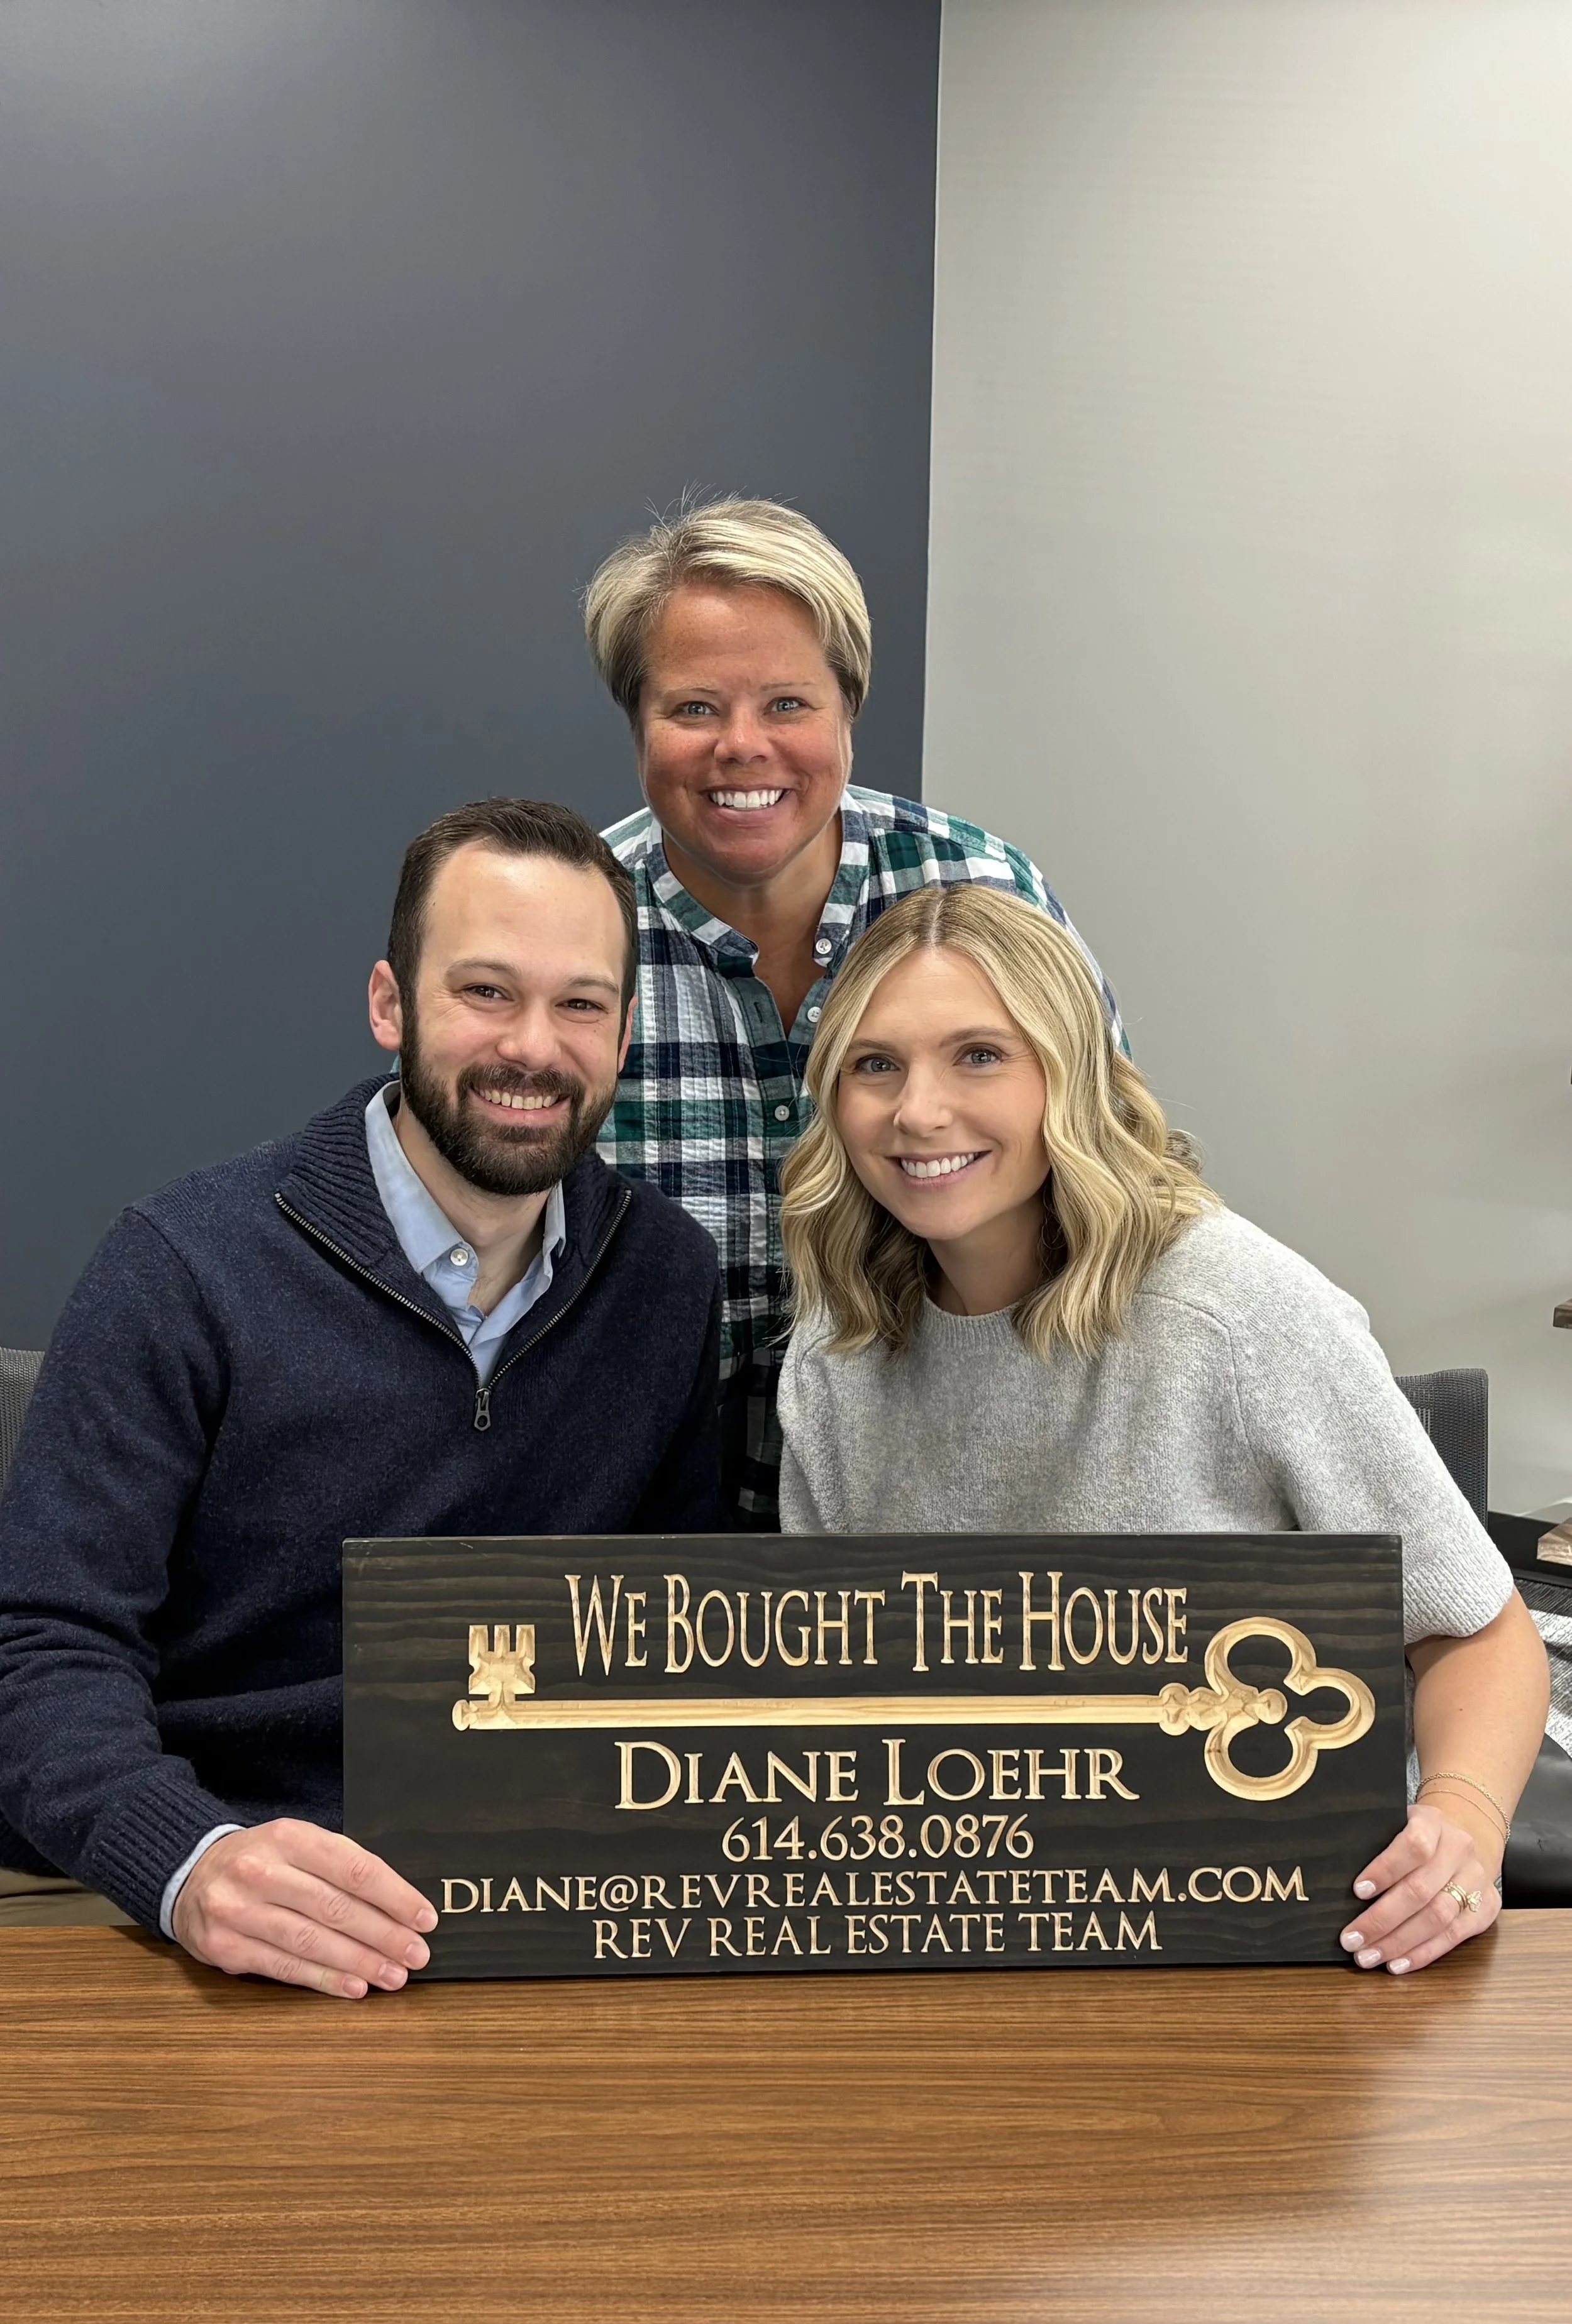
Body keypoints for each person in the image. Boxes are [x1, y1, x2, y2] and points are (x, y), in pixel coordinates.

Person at [0, 797, 722, 1996]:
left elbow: (670, 1638)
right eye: (485, 991)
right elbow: (42, 1645)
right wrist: (186, 1861)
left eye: (580, 1004)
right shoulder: (181, 1267)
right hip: (195, 1883)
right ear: (391, 1003)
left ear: (625, 1031)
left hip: (526, 1896)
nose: (534, 1047)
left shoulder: (665, 1278)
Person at [777, 883, 1549, 1973]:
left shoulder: (1237, 1310)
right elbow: (840, 1698)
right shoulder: (836, 1348)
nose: (919, 1111)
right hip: (967, 1919)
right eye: (876, 1064)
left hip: (1264, 1919)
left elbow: (1477, 1630)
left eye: (981, 1055)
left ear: (1071, 1073)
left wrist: (1463, 1820)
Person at [583, 495, 1124, 1529]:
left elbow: (1110, 1170)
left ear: (848, 711)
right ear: (637, 721)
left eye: (788, 703)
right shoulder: (577, 933)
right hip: (649, 1529)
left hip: (952, 1514)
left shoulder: (982, 889)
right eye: (695, 707)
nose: (743, 747)